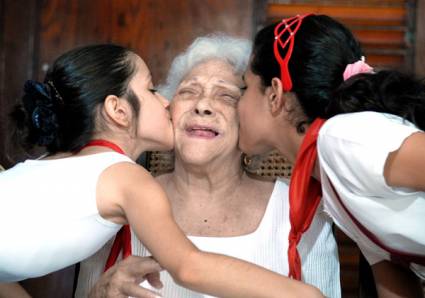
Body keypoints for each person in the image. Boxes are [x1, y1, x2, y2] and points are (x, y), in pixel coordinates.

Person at [0, 43, 324, 298]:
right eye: (174, 92)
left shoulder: (63, 166)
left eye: (225, 94)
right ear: (118, 110)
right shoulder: (128, 182)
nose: (196, 105)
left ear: (250, 116)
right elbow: (189, 266)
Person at [237, 14, 425, 297]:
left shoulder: (343, 139)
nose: (237, 104)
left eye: (245, 87)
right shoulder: (329, 179)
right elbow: (393, 276)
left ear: (274, 94)